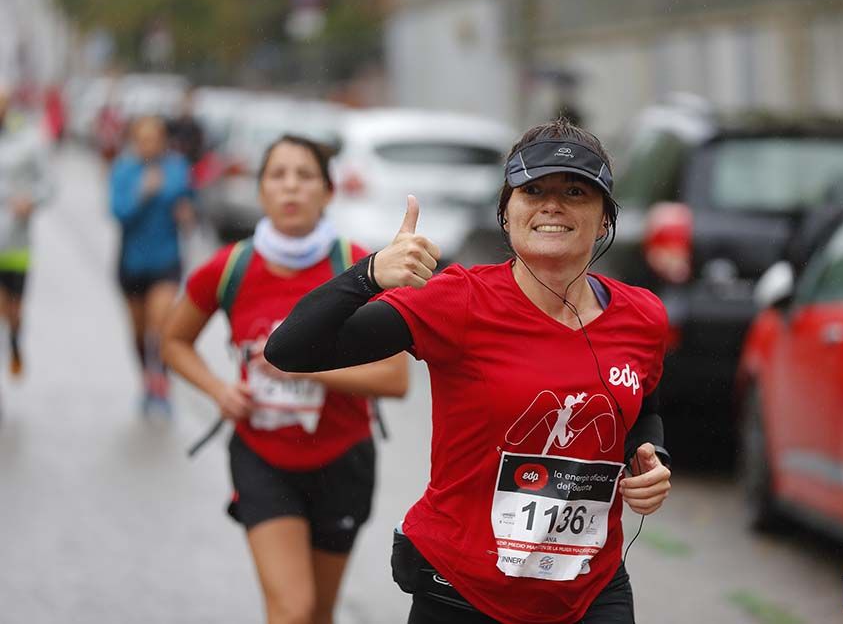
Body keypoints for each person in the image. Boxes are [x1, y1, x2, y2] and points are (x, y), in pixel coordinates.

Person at [265, 119, 673, 624]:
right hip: (464, 594)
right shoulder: (460, 301)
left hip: (590, 593)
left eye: (575, 192)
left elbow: (642, 407)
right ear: (507, 212)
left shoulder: (643, 316)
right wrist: (369, 274)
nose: (553, 205)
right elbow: (291, 350)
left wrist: (647, 460)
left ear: (604, 218)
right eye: (533, 190)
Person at [162, 134, 409, 624]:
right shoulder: (231, 267)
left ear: (327, 191)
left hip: (342, 458)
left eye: (305, 175)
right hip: (263, 457)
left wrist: (308, 366)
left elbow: (395, 378)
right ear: (261, 191)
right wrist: (218, 390)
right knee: (292, 611)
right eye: (277, 175)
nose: (291, 187)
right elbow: (173, 341)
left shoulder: (361, 267)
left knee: (318, 613)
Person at [109, 115, 195, 416]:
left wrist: (186, 214)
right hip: (131, 262)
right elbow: (118, 213)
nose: (149, 145)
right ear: (134, 141)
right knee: (139, 331)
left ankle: (161, 380)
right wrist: (142, 193)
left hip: (166, 260)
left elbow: (188, 202)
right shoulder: (124, 169)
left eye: (154, 139)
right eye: (143, 140)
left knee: (160, 323)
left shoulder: (177, 167)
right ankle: (147, 377)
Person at [0, 86, 54, 381]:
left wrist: (30, 201)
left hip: (16, 243)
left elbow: (48, 184)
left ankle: (14, 341)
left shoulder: (27, 140)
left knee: (14, 311)